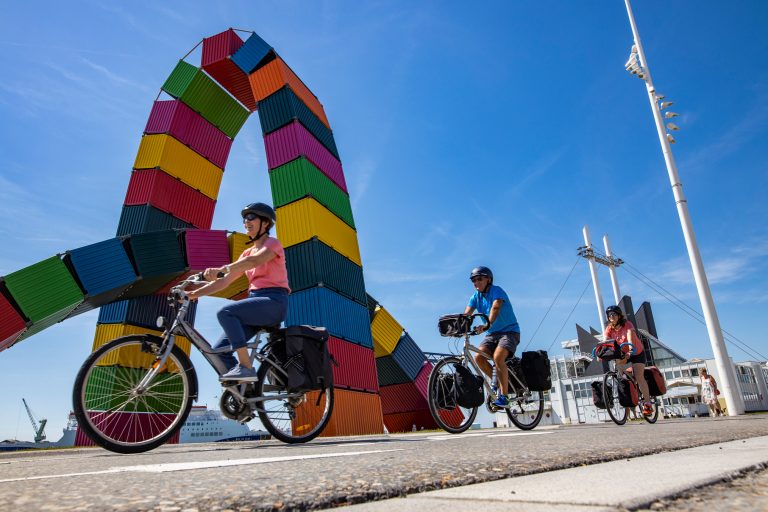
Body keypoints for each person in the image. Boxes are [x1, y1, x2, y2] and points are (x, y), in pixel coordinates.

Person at [186, 203, 290, 381]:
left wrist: (222, 268)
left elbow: (253, 262)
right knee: (218, 351)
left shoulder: (273, 244)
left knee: (226, 312)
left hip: (273, 301)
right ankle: (246, 393)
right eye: (244, 219)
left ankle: (245, 367)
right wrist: (194, 294)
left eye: (251, 217)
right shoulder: (246, 252)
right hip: (255, 305)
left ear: (265, 223)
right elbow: (224, 282)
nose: (246, 222)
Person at [463, 266, 521, 408]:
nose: (476, 283)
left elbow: (495, 308)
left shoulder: (497, 291)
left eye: (480, 279)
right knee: (479, 357)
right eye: (474, 280)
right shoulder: (475, 297)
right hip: (492, 335)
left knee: (498, 357)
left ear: (488, 279)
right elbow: (466, 314)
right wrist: (458, 326)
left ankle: (504, 396)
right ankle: (496, 383)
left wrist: (486, 325)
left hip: (509, 332)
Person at [604, 305, 654, 417]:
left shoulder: (627, 324)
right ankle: (627, 406)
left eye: (614, 314)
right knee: (620, 375)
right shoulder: (609, 329)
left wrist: (631, 350)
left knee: (639, 376)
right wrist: (601, 353)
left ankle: (647, 403)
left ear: (619, 315)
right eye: (610, 315)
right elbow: (606, 342)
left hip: (636, 351)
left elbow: (630, 337)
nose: (612, 316)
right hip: (622, 354)